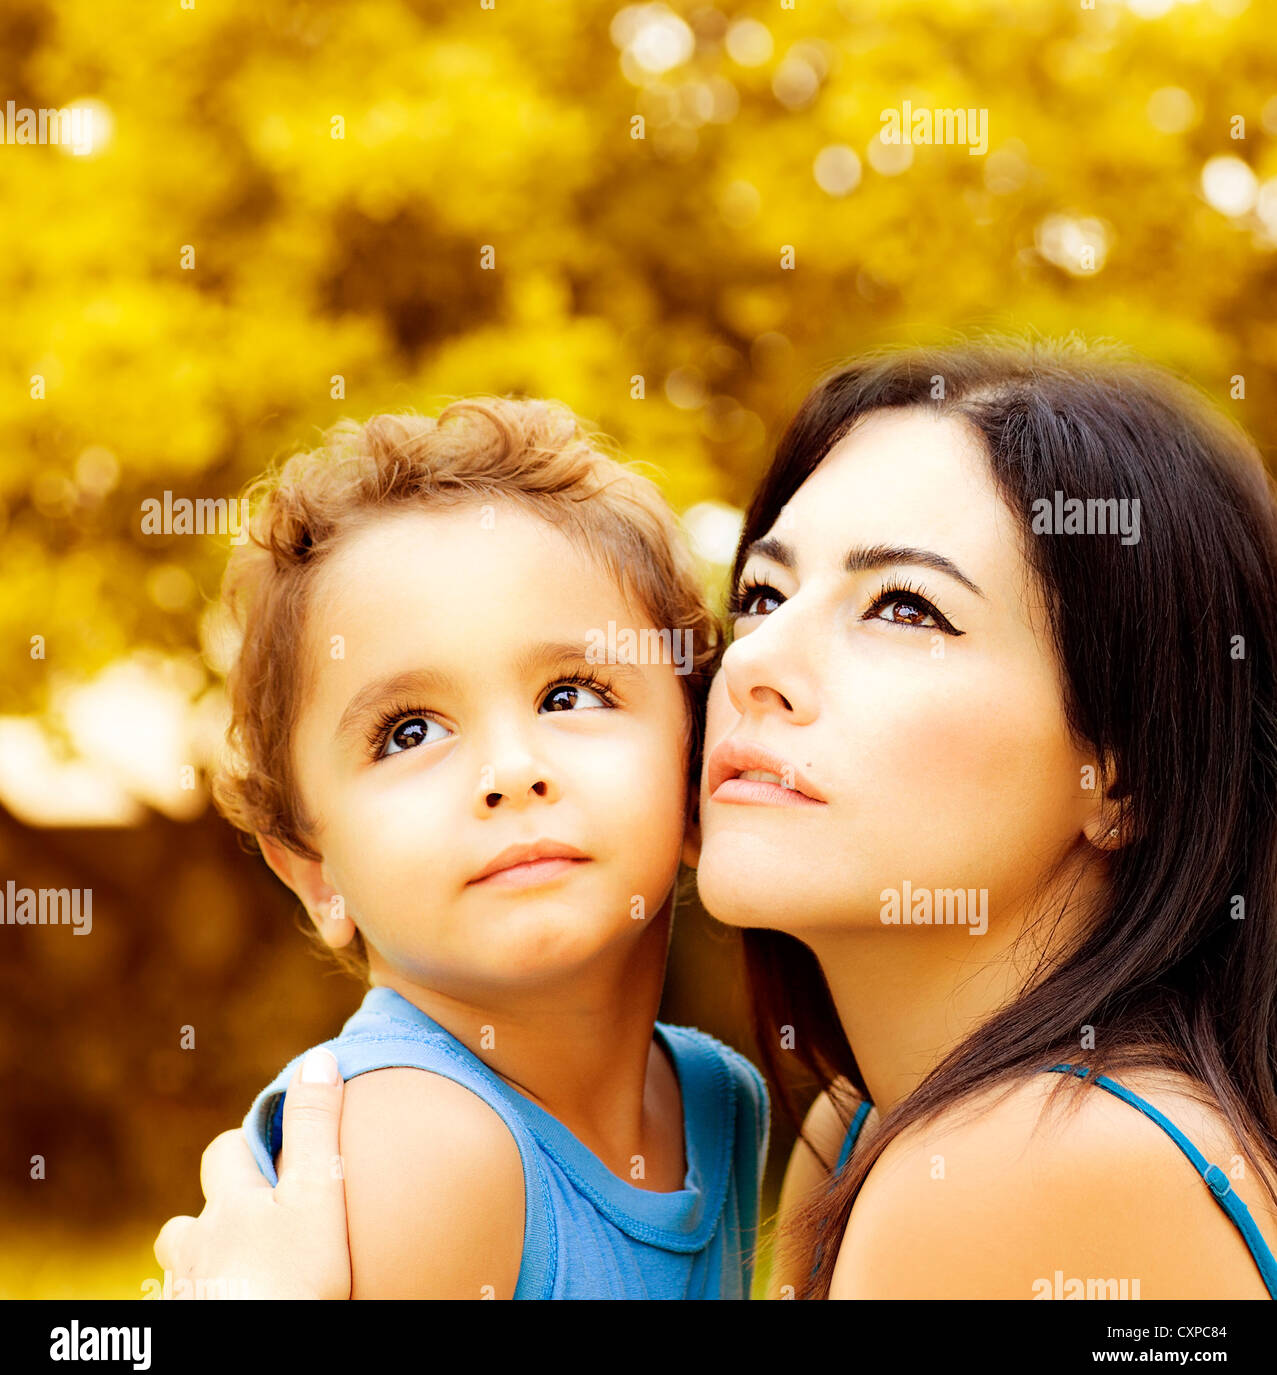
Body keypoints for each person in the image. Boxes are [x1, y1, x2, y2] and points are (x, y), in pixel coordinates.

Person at [158, 337, 1277, 1299]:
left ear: (1118, 768)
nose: (755, 664)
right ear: (309, 865)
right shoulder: (851, 1129)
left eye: (902, 606)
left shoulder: (1027, 1168)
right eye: (762, 595)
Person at [158, 396, 767, 1299]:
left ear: (691, 776)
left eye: (570, 695)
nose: (510, 770)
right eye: (408, 732)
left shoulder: (719, 1103)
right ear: (319, 876)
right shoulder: (420, 1144)